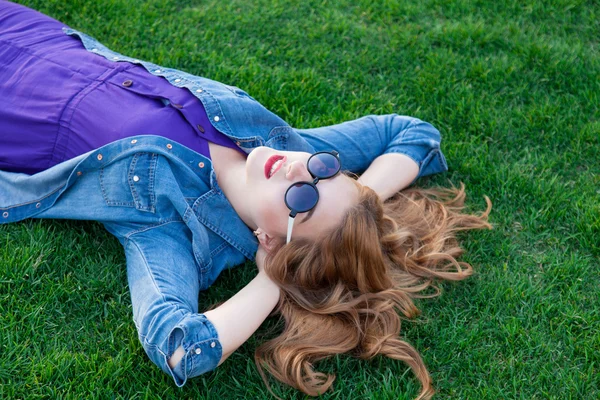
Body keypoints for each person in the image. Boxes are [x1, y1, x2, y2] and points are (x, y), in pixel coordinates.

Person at [0, 1, 492, 399]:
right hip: (38, 36)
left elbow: (179, 348)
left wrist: (274, 277)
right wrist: (363, 200)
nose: (301, 168)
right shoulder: (285, 145)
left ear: (274, 239)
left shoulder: (168, 226)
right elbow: (414, 135)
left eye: (303, 197)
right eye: (325, 170)